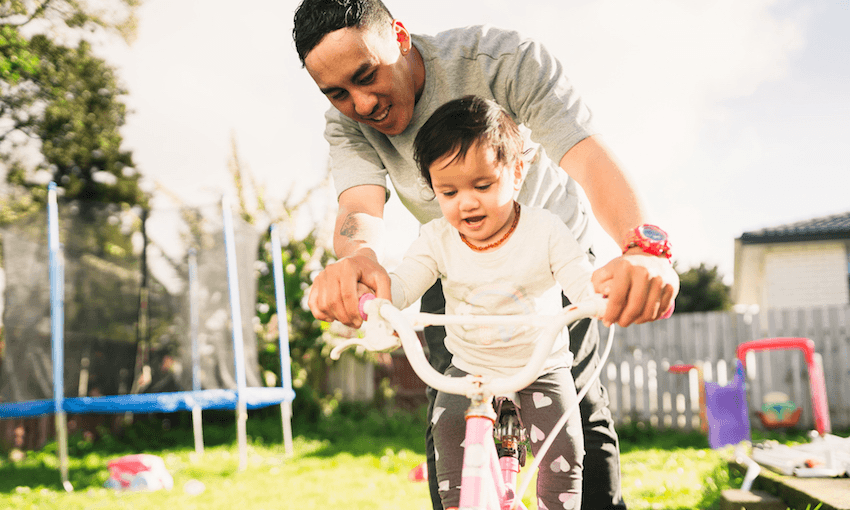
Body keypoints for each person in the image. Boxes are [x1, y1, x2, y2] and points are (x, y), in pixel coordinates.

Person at [293, 1, 680, 509]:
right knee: (450, 410)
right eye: (338, 93)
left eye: (367, 76)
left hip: (552, 258)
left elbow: (586, 155)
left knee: (575, 407)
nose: (362, 104)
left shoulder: (502, 60)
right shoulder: (348, 124)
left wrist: (642, 249)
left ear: (400, 37)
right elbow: (358, 207)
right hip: (455, 263)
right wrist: (357, 260)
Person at [382, 95, 592, 510]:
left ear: (516, 173)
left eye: (483, 185)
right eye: (448, 191)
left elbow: (581, 281)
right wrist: (377, 301)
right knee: (446, 429)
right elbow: (402, 284)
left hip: (541, 366)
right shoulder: (436, 239)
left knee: (564, 451)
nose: (466, 202)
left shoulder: (545, 230)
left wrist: (600, 298)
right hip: (470, 369)